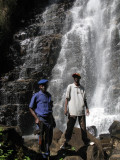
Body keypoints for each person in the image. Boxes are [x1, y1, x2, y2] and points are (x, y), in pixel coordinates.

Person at [61, 73, 94, 149]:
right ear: (73, 78)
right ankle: (65, 143)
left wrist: (87, 108)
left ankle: (86, 142)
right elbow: (67, 98)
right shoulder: (70, 86)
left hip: (81, 111)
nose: (76, 78)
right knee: (69, 127)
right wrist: (65, 109)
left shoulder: (82, 88)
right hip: (72, 111)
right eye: (75, 77)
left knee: (83, 128)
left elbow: (85, 99)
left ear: (79, 78)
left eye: (77, 77)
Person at [29, 79, 55, 158]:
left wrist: (53, 120)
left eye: (45, 85)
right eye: (42, 85)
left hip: (49, 119)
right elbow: (30, 107)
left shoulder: (48, 95)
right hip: (41, 119)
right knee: (41, 137)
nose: (44, 87)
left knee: (49, 136)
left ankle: (47, 151)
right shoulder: (36, 96)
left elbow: (50, 108)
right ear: (40, 86)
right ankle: (43, 154)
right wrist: (36, 118)